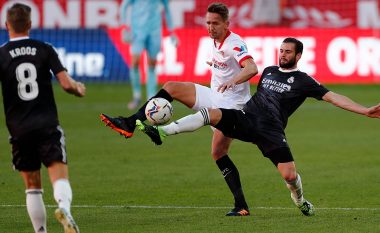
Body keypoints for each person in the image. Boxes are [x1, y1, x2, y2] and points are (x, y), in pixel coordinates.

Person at [135, 37, 380, 216]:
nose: (282, 55)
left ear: (298, 56)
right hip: (247, 117)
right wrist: (220, 69)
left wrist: (364, 110)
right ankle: (161, 132)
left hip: (271, 131)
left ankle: (301, 201)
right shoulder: (269, 71)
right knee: (210, 114)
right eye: (281, 50)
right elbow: (241, 76)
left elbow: (334, 97)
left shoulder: (304, 81)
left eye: (287, 52)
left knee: (290, 176)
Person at [101, 2, 258, 216]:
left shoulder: (235, 43)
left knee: (218, 152)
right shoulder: (215, 41)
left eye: (215, 23)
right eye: (208, 23)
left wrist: (233, 80)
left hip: (232, 107)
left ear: (227, 24)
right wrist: (219, 69)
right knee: (171, 87)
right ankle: (129, 122)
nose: (210, 27)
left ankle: (241, 205)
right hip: (214, 96)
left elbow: (251, 67)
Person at [0, 3, 85, 233]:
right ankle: (64, 208)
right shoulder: (44, 49)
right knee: (59, 176)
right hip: (46, 123)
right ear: (29, 24)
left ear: (7, 25)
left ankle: (40, 231)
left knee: (32, 187)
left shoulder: (1, 54)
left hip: (19, 128)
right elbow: (66, 84)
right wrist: (78, 88)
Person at [120, 0, 178, 109]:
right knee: (135, 62)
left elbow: (167, 10)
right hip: (137, 31)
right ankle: (136, 96)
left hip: (154, 31)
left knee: (152, 64)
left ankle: (151, 97)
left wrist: (172, 31)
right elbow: (124, 6)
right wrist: (123, 27)